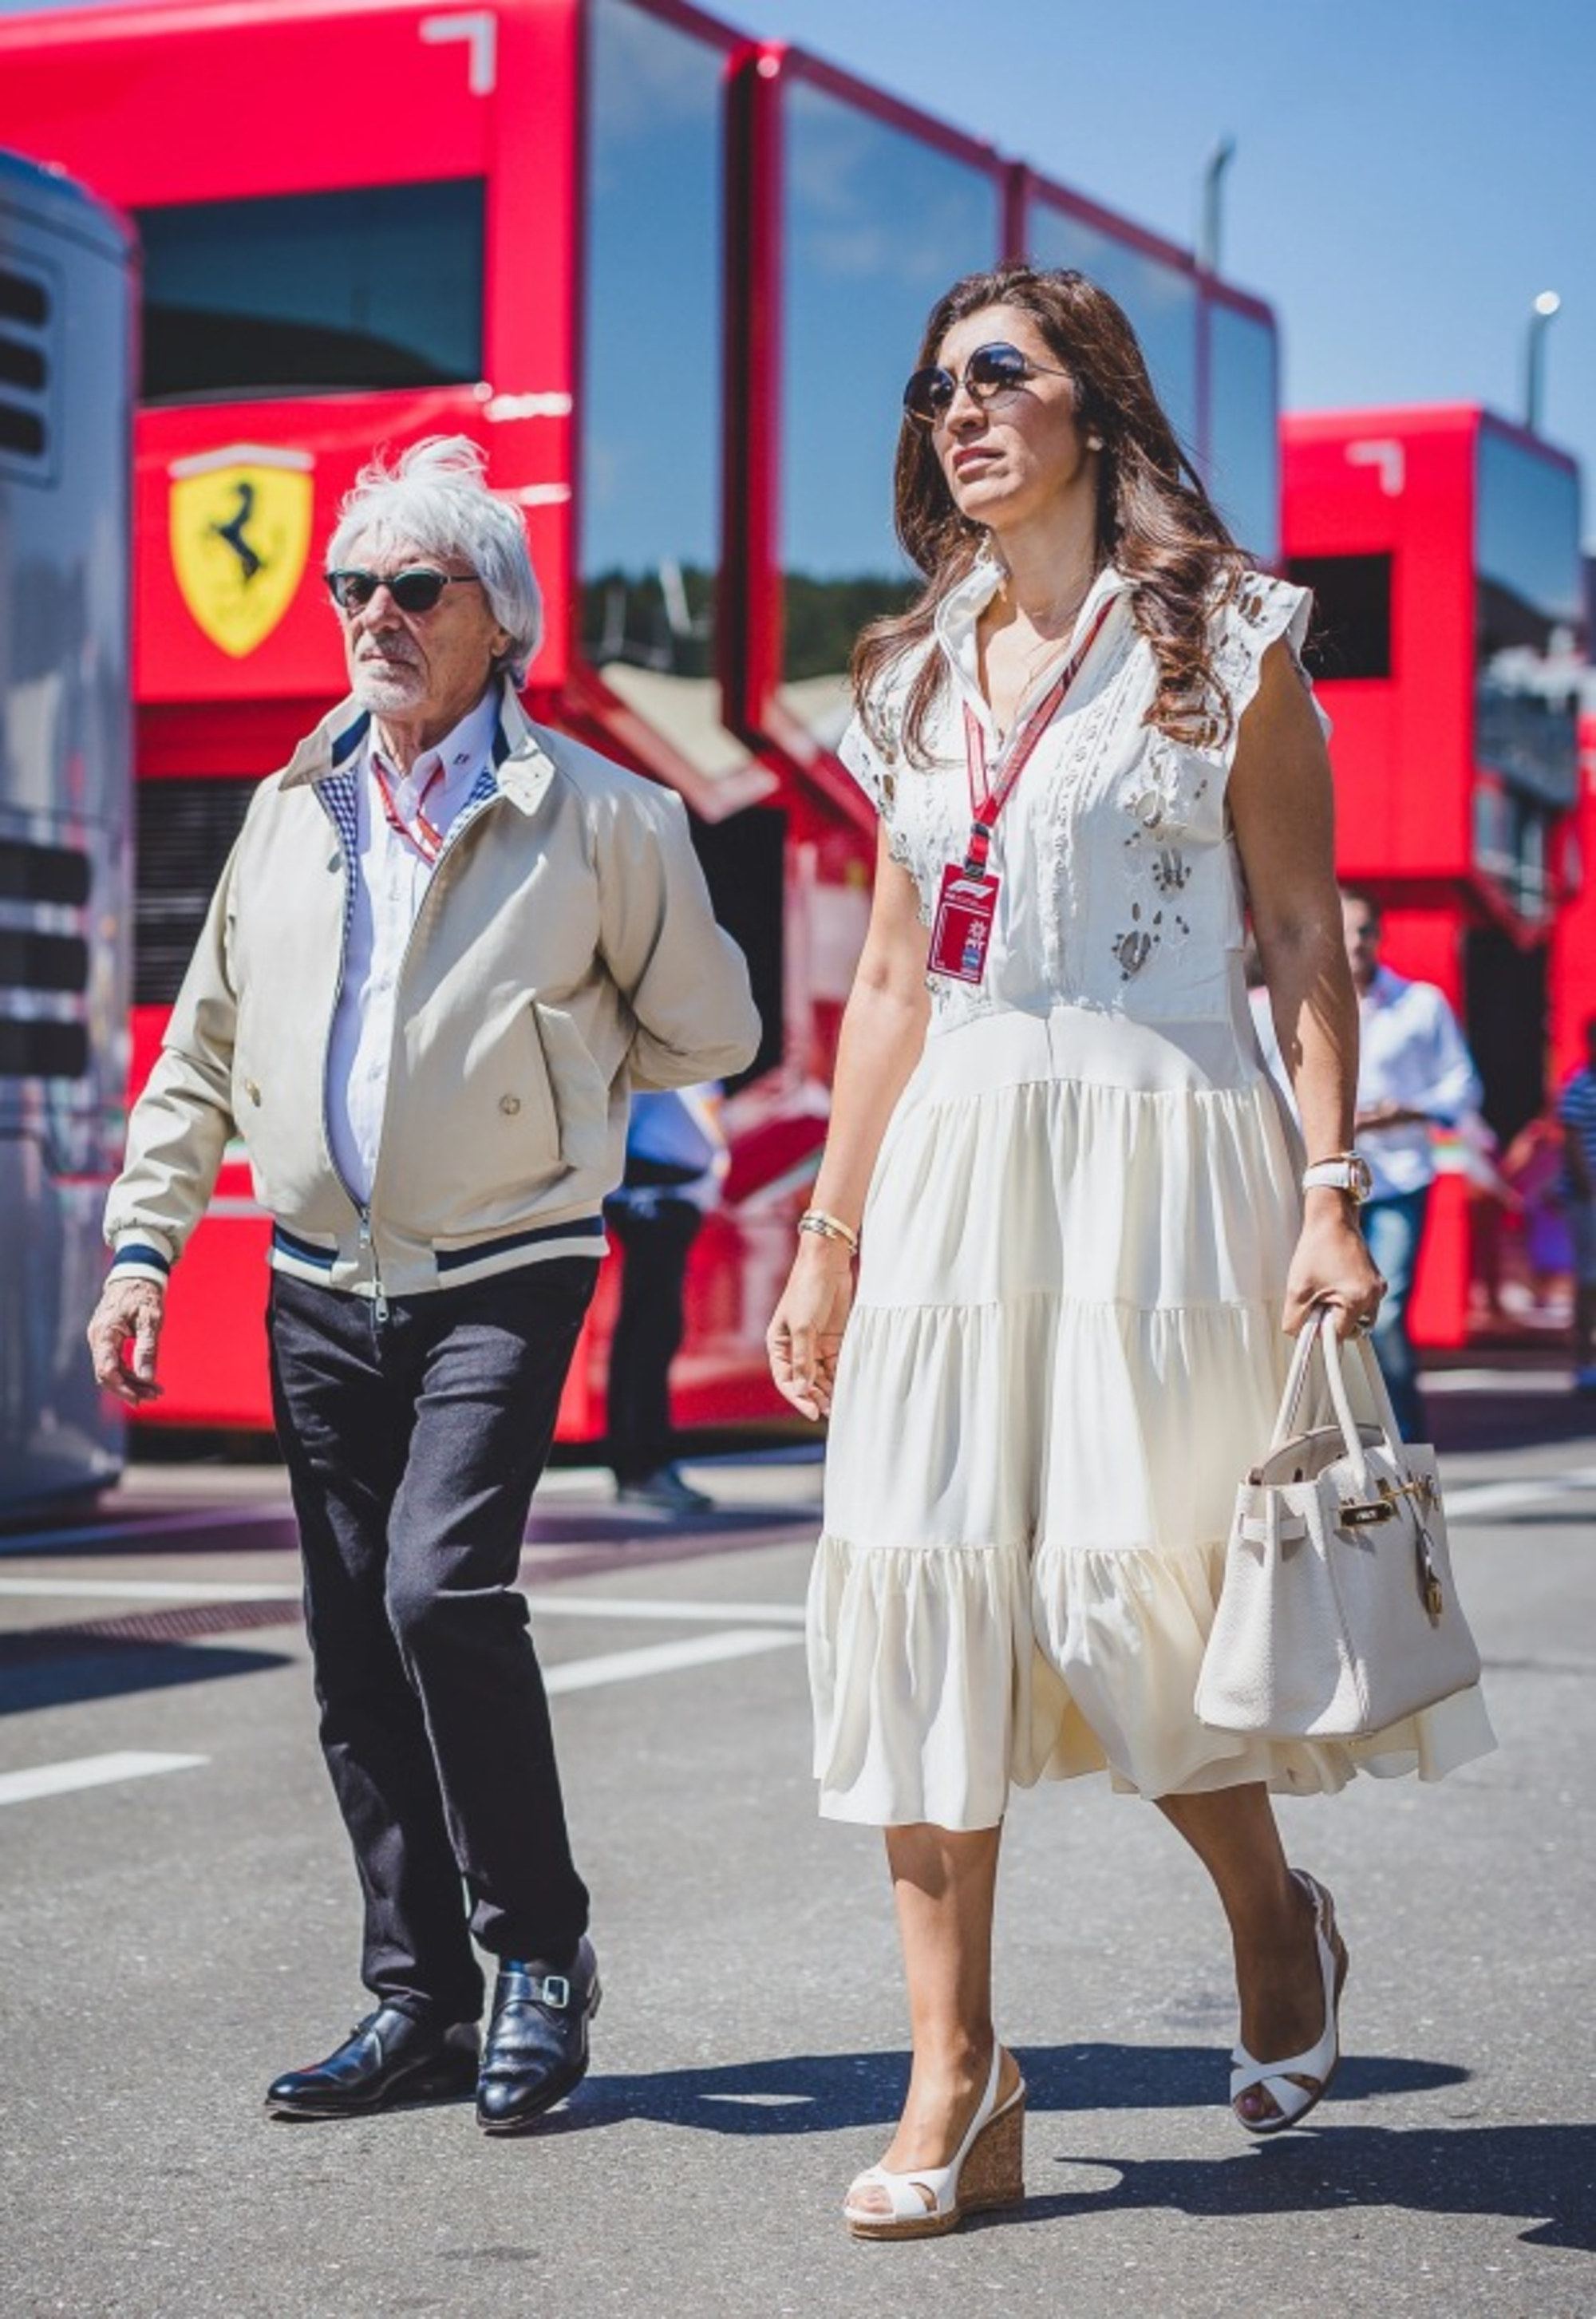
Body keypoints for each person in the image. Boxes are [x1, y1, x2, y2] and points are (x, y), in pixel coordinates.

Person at [765, 267, 1495, 2242]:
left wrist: (1332, 1186)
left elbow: (1297, 941)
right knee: (920, 1589)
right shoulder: (906, 673)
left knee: (1122, 1602)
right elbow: (901, 981)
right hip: (956, 1163)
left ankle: (1275, 1923)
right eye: (933, 389)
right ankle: (957, 2077)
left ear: (1094, 400)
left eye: (997, 376)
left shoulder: (1226, 639)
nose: (958, 413)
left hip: (1165, 1149)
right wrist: (828, 1233)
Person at [87, 437, 760, 2132]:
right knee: (349, 1646)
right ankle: (420, 1999)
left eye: (413, 587)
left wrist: (561, 1060)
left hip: (504, 1263)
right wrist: (144, 1242)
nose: (372, 617)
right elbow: (203, 1050)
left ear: (496, 621)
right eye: (351, 588)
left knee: (437, 1593)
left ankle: (541, 1952)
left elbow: (715, 1029)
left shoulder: (607, 817)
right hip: (321, 1273)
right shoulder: (286, 813)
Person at [1341, 891, 1482, 1439]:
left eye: (1365, 931)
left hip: (1398, 1175)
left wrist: (1410, 1110)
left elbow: (1463, 1085)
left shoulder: (1420, 1003)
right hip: (1333, 1177)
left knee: (1389, 1308)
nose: (1356, 943)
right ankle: (1350, 1433)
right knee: (1333, 1312)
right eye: (1347, 931)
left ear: (1380, 935)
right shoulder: (1303, 1001)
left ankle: (1401, 1436)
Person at [604, 1083, 727, 1512]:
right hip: (650, 1203)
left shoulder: (690, 1062)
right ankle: (641, 1464)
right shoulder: (659, 1062)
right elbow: (614, 1124)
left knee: (655, 1335)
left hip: (671, 1204)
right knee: (647, 1338)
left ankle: (646, 1461)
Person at [1557, 1012, 1596, 1389]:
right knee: (1589, 1279)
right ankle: (1583, 1358)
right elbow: (1572, 1143)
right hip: (1588, 1200)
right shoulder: (1580, 1087)